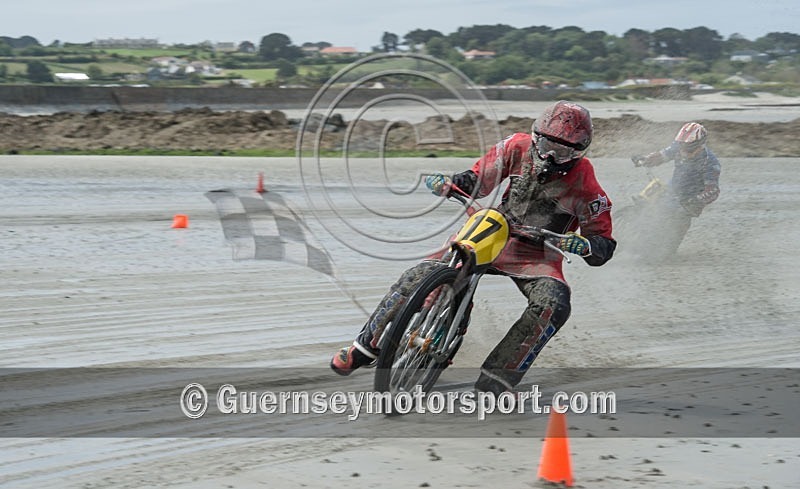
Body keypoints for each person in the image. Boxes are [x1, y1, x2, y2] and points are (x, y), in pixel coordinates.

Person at [330, 100, 617, 395]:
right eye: (546, 144)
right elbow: (476, 180)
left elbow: (604, 245)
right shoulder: (515, 147)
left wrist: (584, 245)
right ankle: (365, 347)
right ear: (535, 136)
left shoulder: (587, 185)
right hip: (495, 230)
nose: (551, 157)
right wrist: (449, 183)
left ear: (579, 152)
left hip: (539, 252)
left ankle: (497, 379)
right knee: (421, 274)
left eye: (564, 151)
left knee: (554, 304)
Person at [633, 122, 721, 216]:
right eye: (681, 146)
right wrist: (645, 159)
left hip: (687, 199)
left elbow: (713, 190)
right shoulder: (679, 146)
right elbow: (663, 155)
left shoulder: (710, 162)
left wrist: (697, 200)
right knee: (643, 201)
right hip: (673, 187)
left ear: (700, 145)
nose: (683, 151)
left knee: (669, 215)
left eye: (688, 149)